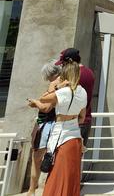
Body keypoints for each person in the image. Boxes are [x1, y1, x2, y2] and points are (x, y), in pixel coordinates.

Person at [28, 60, 87, 196]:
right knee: (70, 176)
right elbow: (82, 117)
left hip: (61, 138)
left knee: (56, 176)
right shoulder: (82, 92)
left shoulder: (63, 91)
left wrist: (56, 87)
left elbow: (43, 99)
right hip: (75, 137)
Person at [27, 62, 61, 196]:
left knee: (37, 159)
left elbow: (47, 108)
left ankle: (32, 190)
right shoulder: (63, 82)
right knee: (50, 159)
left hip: (47, 125)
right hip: (53, 125)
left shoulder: (55, 84)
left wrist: (35, 102)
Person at [55, 48, 95, 146]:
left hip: (72, 124)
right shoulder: (90, 72)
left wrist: (57, 88)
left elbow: (64, 97)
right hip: (85, 120)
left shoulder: (73, 75)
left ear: (70, 61)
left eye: (63, 64)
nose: (62, 67)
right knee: (76, 158)